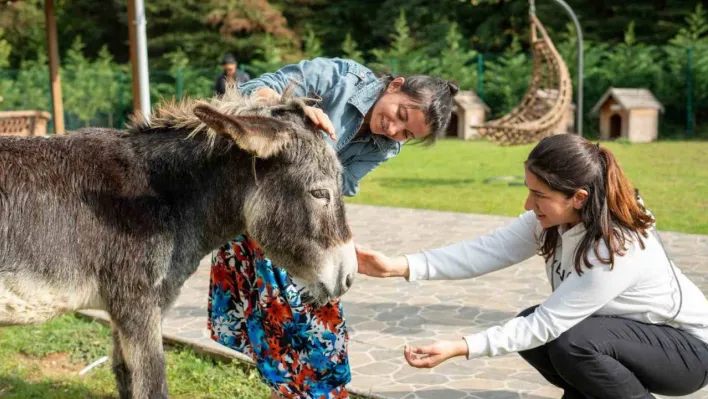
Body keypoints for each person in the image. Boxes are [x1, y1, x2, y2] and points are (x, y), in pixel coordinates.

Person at [357, 133, 708, 398]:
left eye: (540, 195)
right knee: (543, 332)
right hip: (624, 339)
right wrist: (398, 266)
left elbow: (548, 323)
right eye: (529, 190)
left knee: (570, 340)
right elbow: (486, 251)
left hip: (687, 353)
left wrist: (462, 346)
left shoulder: (617, 248)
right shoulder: (553, 221)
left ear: (579, 197)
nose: (528, 204)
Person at [207, 57, 458, 399]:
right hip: (261, 205)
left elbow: (340, 188)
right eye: (400, 115)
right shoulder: (339, 78)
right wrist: (290, 108)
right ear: (395, 84)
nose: (394, 130)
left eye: (407, 133)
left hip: (304, 222)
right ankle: (300, 389)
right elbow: (251, 92)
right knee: (287, 317)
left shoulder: (387, 146)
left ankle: (303, 390)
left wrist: (341, 239)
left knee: (318, 315)